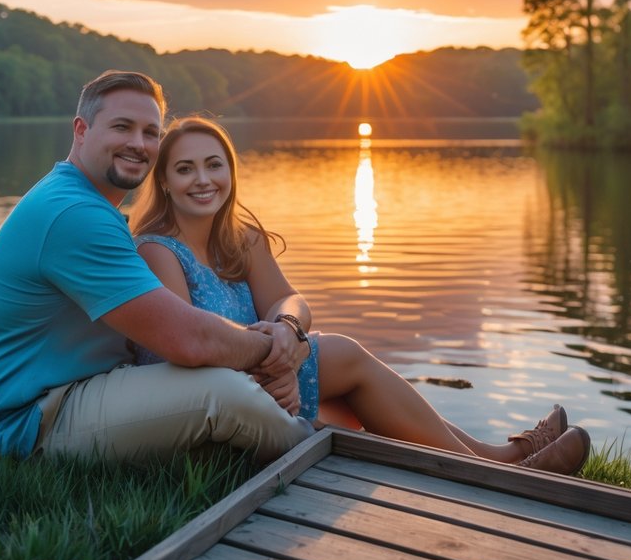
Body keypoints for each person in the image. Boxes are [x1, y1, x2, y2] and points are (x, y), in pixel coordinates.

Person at [129, 116, 591, 474]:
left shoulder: (241, 239)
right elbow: (192, 347)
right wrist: (281, 361)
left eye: (214, 165)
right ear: (165, 182)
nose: (203, 179)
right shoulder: (158, 249)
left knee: (347, 379)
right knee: (346, 359)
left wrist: (290, 331)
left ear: (230, 171)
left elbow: (290, 301)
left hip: (263, 373)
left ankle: (499, 459)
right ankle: (498, 466)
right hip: (207, 394)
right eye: (185, 169)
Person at [0, 71, 314, 464]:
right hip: (34, 418)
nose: (138, 144)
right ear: (81, 130)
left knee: (314, 360)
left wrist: (292, 333)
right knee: (220, 392)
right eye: (122, 127)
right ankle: (315, 449)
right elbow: (189, 339)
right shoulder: (73, 213)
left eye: (151, 132)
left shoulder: (84, 202)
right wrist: (277, 348)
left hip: (84, 386)